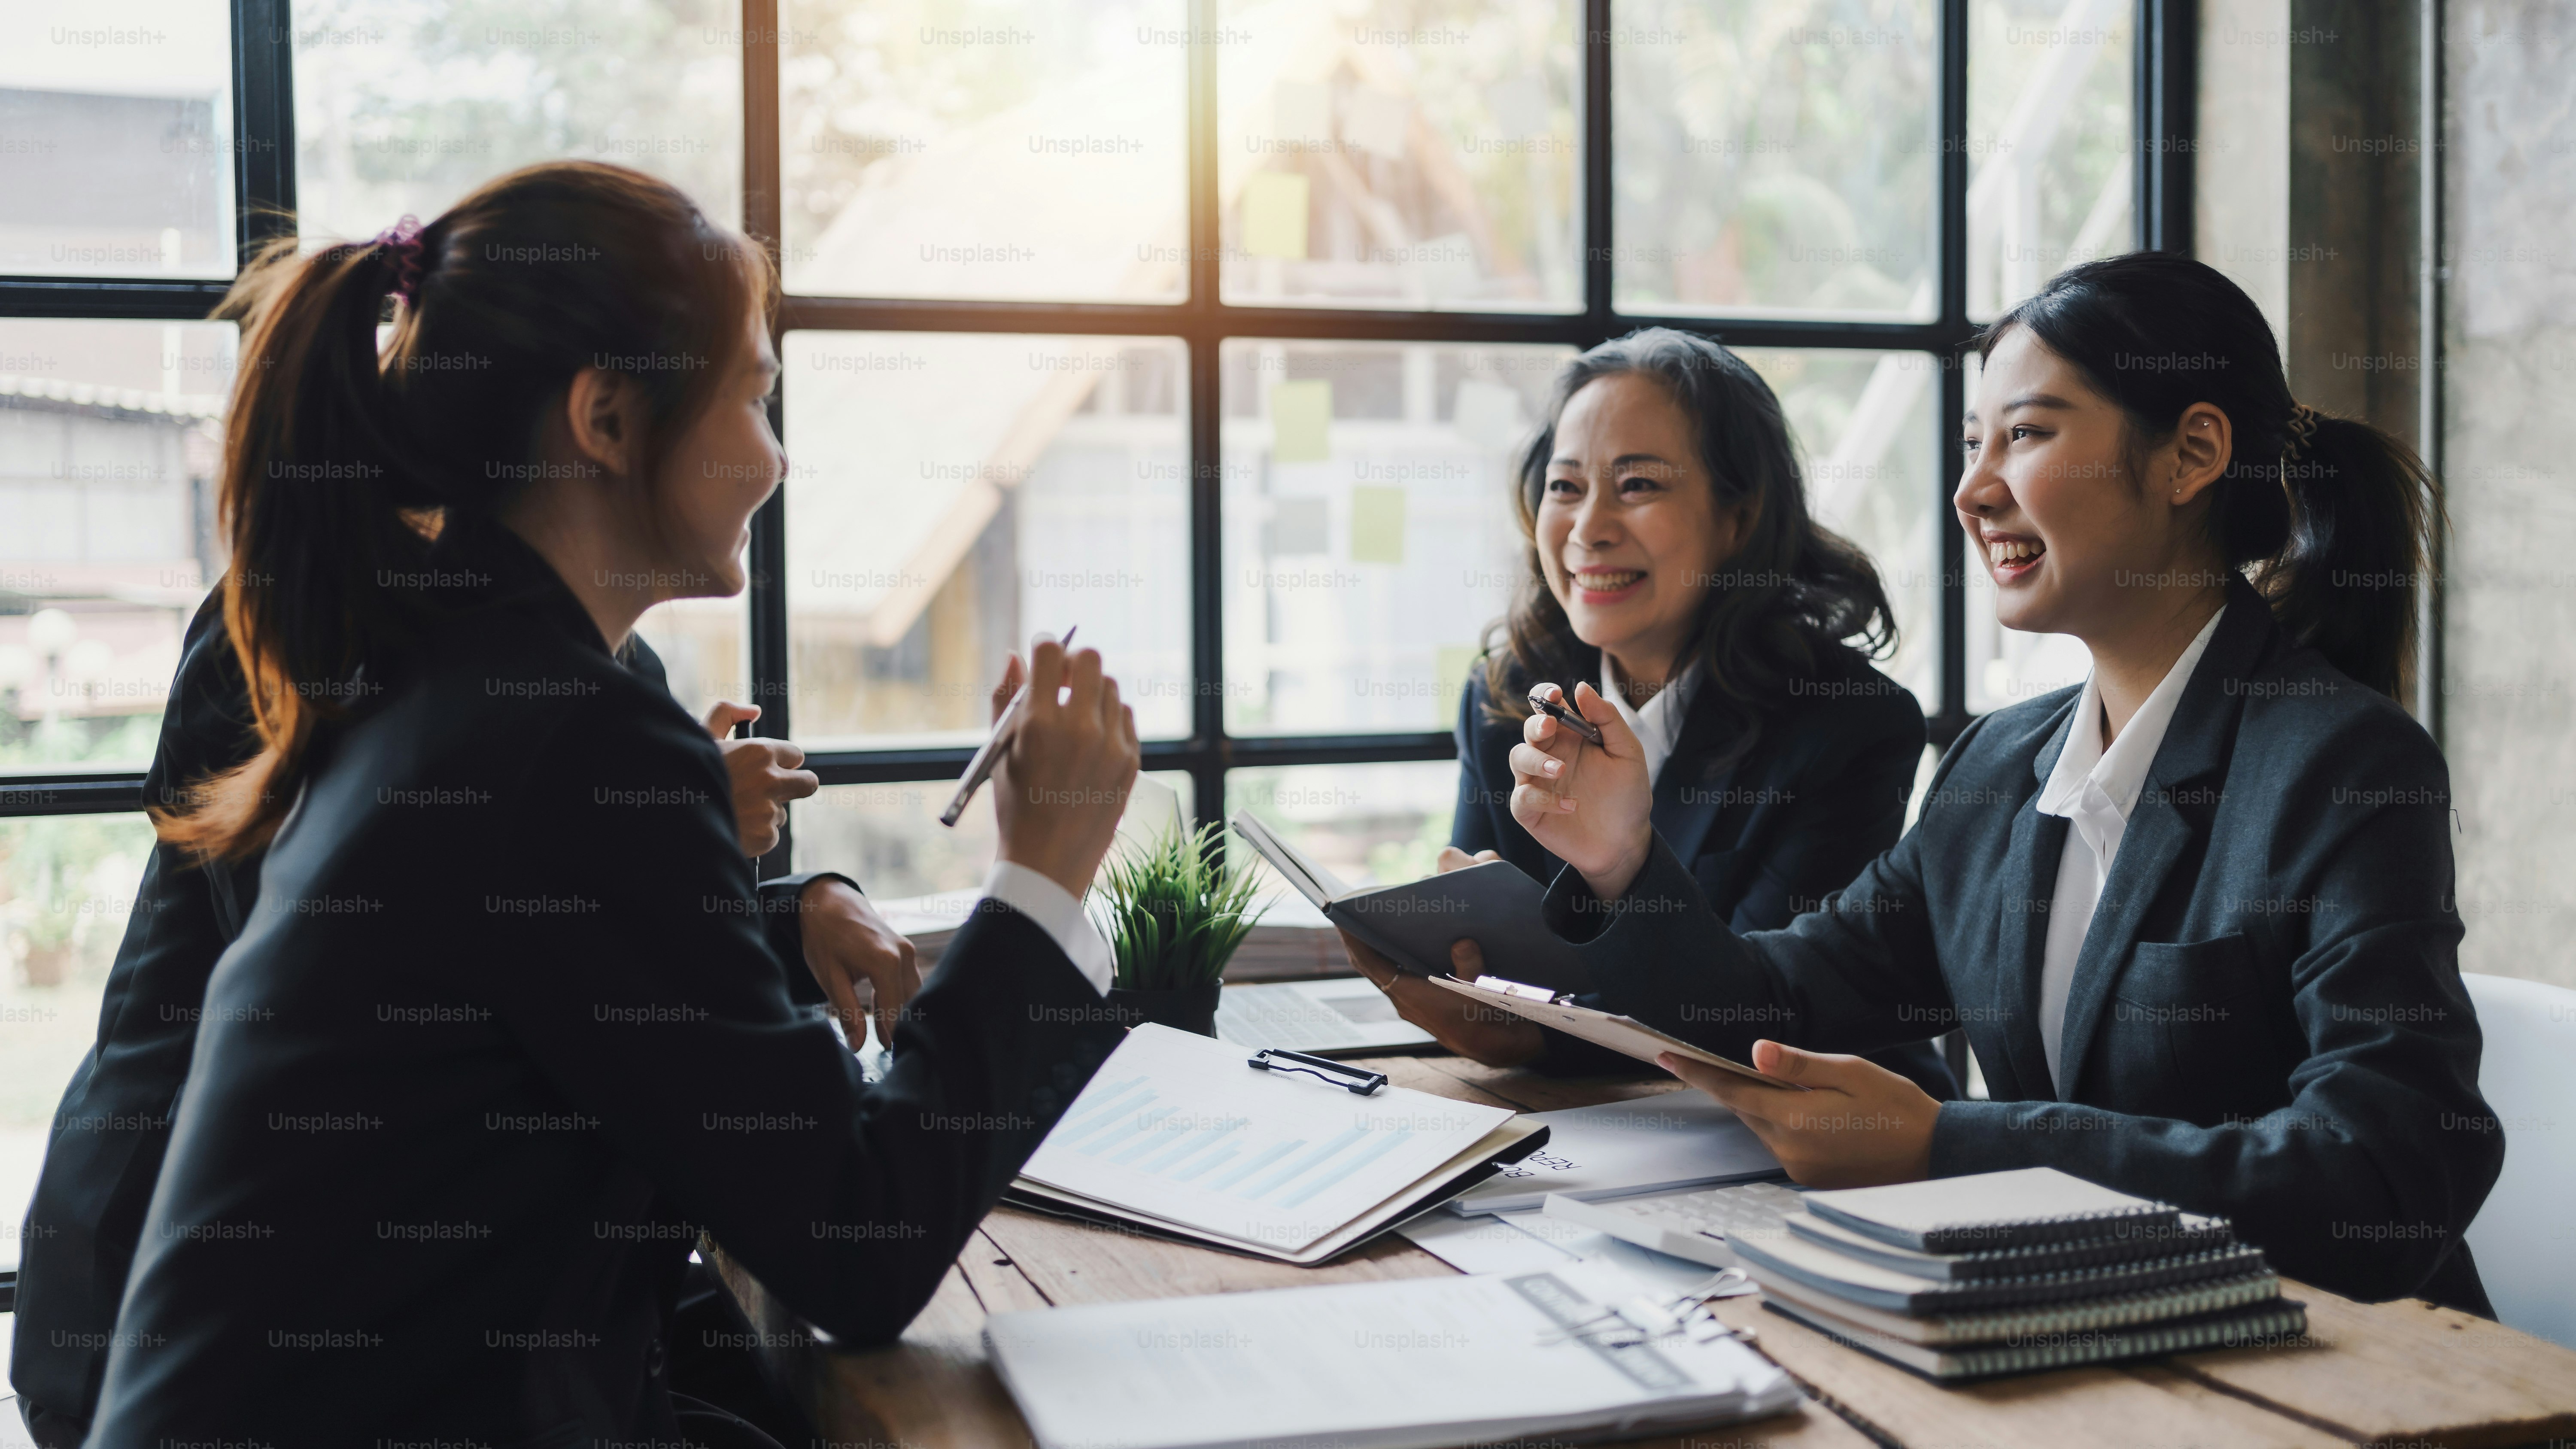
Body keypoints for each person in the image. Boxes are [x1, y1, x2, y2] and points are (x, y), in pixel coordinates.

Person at [80, 162, 1140, 1446]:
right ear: (606, 418)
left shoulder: (457, 670)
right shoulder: (570, 736)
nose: (777, 454)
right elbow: (858, 1250)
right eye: (752, 396)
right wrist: (1043, 877)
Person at [1491, 253, 2499, 1312]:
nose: (1974, 490)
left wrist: (1949, 1143)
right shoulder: (1997, 768)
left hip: (2344, 1378)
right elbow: (1778, 1004)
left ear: (2192, 453)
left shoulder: (2346, 765)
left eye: (2025, 434)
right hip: (2068, 1338)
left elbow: (2385, 1175)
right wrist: (1622, 861)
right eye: (1975, 445)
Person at [8, 587, 886, 1448]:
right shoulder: (291, 631)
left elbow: (599, 941)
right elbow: (371, 977)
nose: (766, 462)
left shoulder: (612, 664)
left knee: (809, 1382)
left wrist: (795, 910)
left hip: (467, 1295)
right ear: (594, 435)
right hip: (192, 1326)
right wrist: (667, 820)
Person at [1343, 329, 1953, 1098]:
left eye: (1637, 486)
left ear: (1737, 519)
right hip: (1577, 1120)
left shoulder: (1846, 725)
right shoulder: (1505, 694)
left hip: (1812, 1136)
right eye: (1565, 487)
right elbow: (1473, 954)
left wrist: (1530, 1035)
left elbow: (1756, 1015)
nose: (1589, 528)